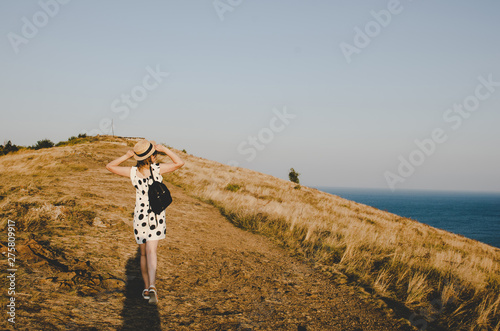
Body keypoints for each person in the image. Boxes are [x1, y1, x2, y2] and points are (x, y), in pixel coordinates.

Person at [106, 139, 184, 304]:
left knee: (142, 254)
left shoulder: (133, 172)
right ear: (153, 156)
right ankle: (153, 286)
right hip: (156, 215)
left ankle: (147, 288)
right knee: (151, 252)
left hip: (140, 216)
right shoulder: (157, 169)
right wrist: (165, 149)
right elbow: (179, 163)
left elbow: (110, 166)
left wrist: (126, 156)